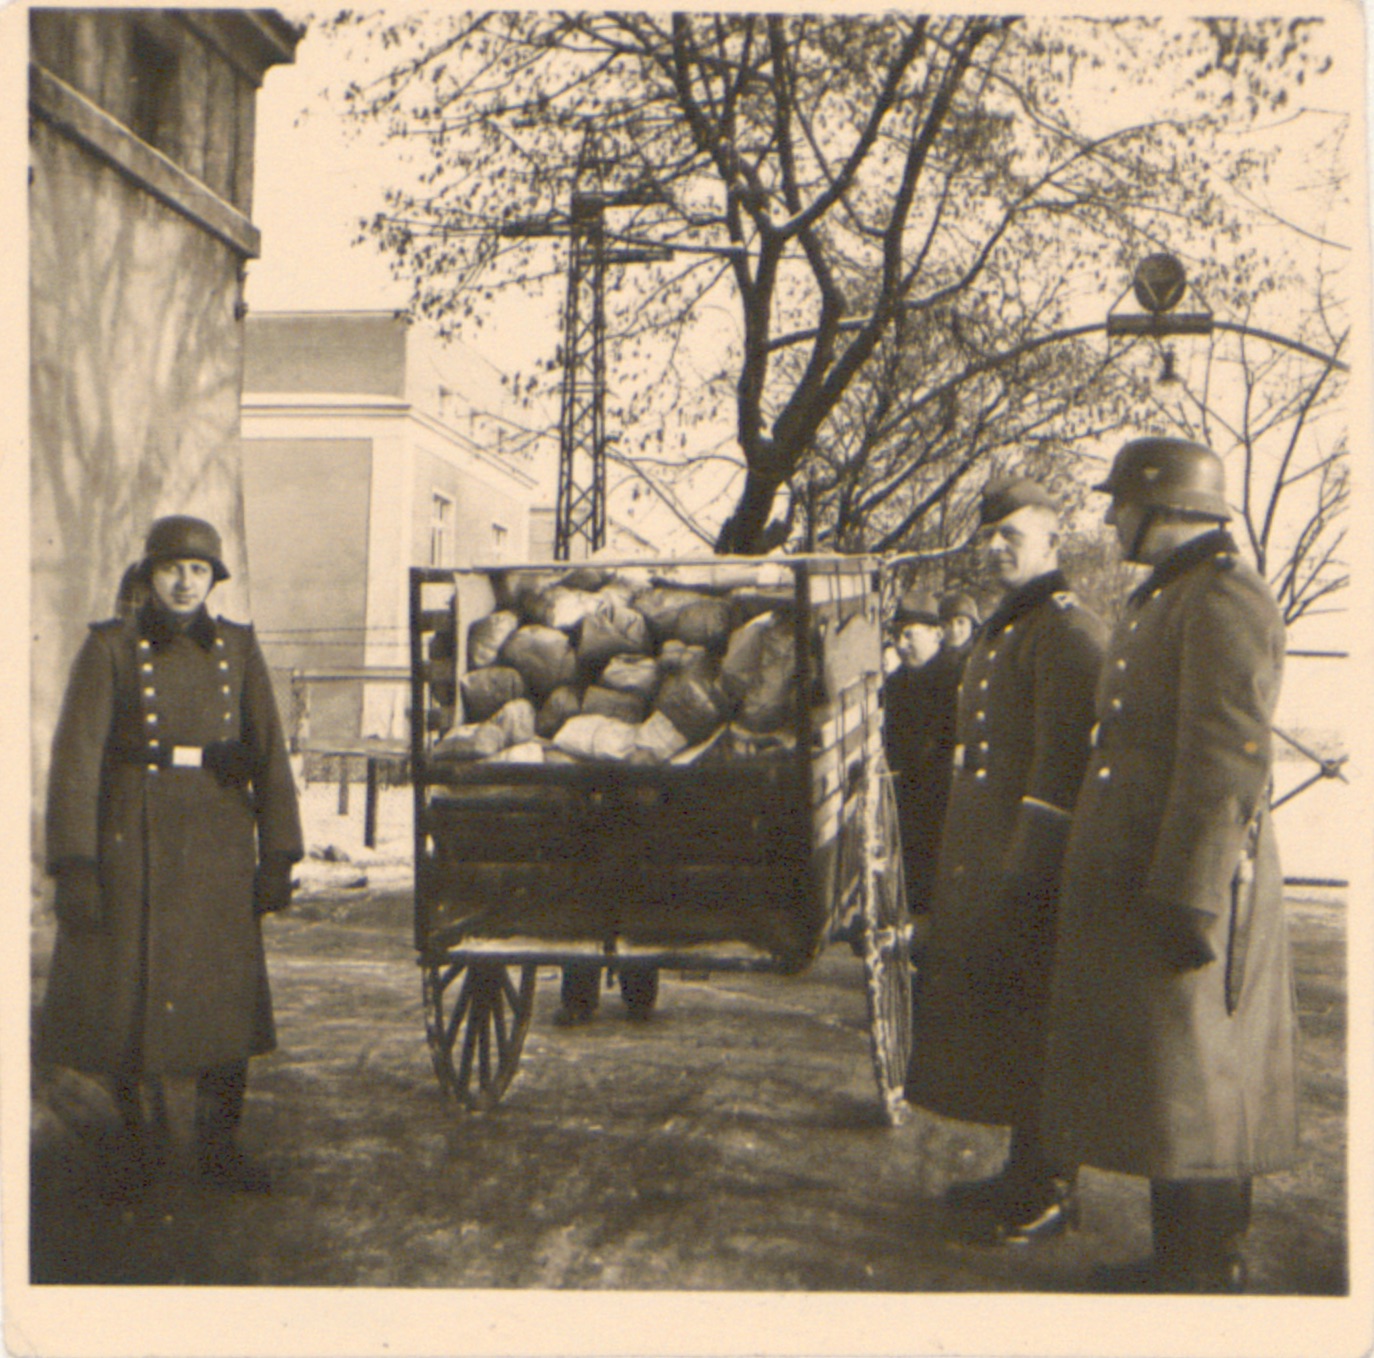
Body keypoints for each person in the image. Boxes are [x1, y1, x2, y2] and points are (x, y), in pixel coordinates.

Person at [1040, 438, 1297, 1293]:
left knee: (1199, 1079)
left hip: (1195, 880)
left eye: (1123, 502)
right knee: (1174, 1079)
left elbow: (1225, 761)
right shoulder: (1174, 598)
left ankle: (1199, 1271)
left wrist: (1191, 896)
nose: (1112, 517)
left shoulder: (1224, 600)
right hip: (1160, 873)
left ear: (1168, 505)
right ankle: (1186, 1260)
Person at [40, 515, 303, 1193]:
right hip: (133, 840)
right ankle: (131, 1154)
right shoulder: (111, 649)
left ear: (214, 580)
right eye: (171, 569)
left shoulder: (239, 650)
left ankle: (221, 1151)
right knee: (128, 1001)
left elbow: (270, 752)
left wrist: (277, 852)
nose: (185, 583)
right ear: (149, 575)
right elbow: (75, 764)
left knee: (225, 1003)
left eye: (199, 571)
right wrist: (76, 866)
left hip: (218, 839)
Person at [905, 477, 1107, 1244]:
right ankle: (1022, 1173)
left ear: (1052, 544)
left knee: (1045, 1020)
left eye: (1011, 536)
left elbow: (1063, 767)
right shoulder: (1009, 627)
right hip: (993, 862)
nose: (995, 548)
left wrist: (1028, 869)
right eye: (987, 534)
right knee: (1011, 1021)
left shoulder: (1066, 631)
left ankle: (1056, 1186)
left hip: (1038, 870)